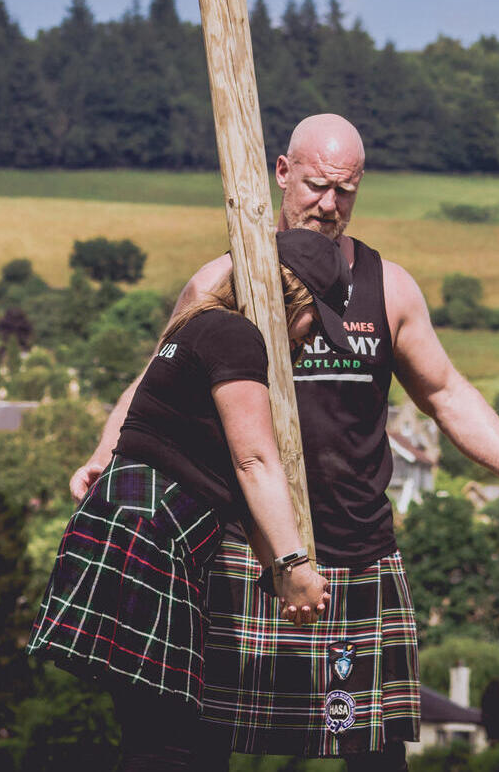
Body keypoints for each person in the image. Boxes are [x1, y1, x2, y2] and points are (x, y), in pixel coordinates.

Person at [70, 114, 499, 771]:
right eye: (316, 185)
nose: (330, 204)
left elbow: (445, 390)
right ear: (282, 174)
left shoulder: (387, 287)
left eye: (346, 190)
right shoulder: (221, 283)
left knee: (375, 751)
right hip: (244, 548)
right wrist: (104, 455)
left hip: (357, 547)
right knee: (197, 740)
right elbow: (155, 375)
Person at [29, 228, 359, 771]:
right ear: (290, 297)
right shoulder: (235, 336)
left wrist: (277, 570)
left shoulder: (200, 324)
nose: (312, 338)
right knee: (170, 743)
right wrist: (295, 563)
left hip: (134, 525)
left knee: (161, 738)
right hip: (152, 537)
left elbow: (229, 475)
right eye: (314, 320)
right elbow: (255, 463)